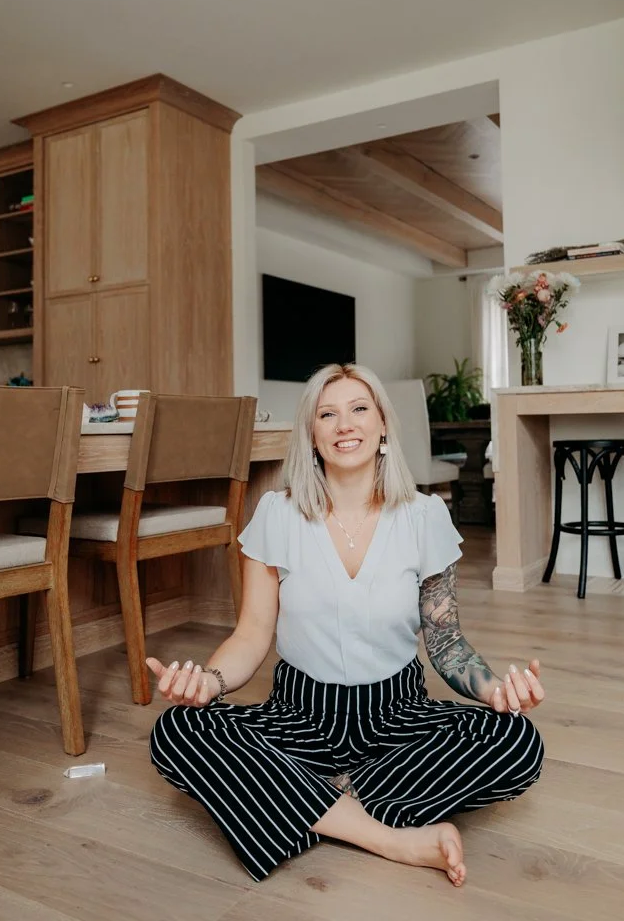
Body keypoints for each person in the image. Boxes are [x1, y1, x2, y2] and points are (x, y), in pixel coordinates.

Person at [147, 364, 544, 886]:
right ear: (312, 435)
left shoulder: (425, 516)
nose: (345, 425)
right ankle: (388, 836)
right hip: (299, 714)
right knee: (178, 731)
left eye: (359, 409)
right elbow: (251, 633)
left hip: (398, 714)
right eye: (327, 414)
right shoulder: (277, 513)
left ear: (383, 425)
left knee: (517, 742)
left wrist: (495, 691)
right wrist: (208, 682)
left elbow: (445, 641)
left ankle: (303, 798)